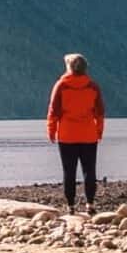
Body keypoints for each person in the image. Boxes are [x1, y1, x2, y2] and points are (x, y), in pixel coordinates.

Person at [46, 51, 105, 214]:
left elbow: (53, 111)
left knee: (69, 171)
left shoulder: (61, 86)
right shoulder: (92, 87)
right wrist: (99, 131)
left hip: (67, 136)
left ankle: (71, 206)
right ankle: (90, 204)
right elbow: (99, 112)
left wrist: (51, 130)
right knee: (90, 170)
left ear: (69, 67)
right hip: (88, 135)